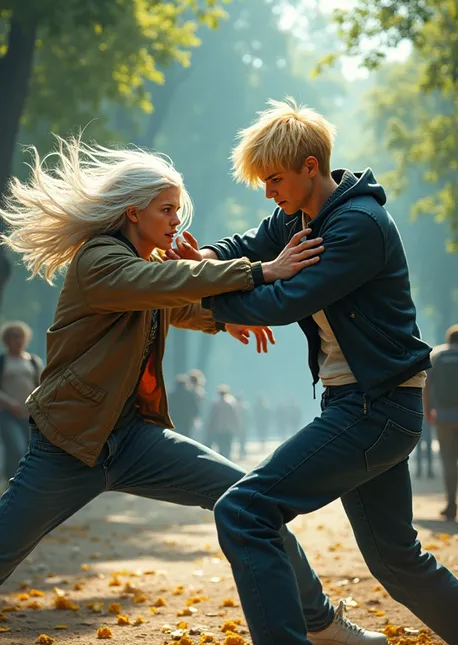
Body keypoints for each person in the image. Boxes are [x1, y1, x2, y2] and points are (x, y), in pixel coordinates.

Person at [0, 136, 382, 645]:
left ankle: (321, 622)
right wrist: (261, 270)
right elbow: (159, 284)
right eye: (166, 209)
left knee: (251, 500)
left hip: (133, 440)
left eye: (178, 209)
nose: (176, 220)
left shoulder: (138, 266)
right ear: (132, 211)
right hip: (68, 445)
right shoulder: (99, 260)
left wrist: (225, 320)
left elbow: (172, 300)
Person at [171, 99, 458, 645]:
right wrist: (203, 257)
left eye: (274, 178)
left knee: (245, 509)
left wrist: (200, 300)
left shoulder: (359, 225)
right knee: (398, 561)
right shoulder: (296, 217)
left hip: (376, 408)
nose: (267, 191)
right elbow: (246, 248)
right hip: (361, 405)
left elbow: (285, 299)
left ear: (310, 166)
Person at [0, 322, 43, 481]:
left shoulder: (33, 361)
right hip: (8, 414)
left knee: (29, 451)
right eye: (14, 337)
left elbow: (41, 386)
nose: (18, 341)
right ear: (7, 340)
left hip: (30, 415)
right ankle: (11, 482)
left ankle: (25, 483)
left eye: (21, 337)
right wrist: (10, 402)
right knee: (15, 449)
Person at [424, 324, 458, 521]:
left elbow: (426, 384)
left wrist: (428, 411)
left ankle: (451, 504)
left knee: (448, 461)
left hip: (444, 416)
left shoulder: (437, 355)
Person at [206, 384, 239, 459]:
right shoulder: (231, 402)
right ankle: (228, 458)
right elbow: (235, 415)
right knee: (228, 445)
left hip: (219, 428)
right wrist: (236, 425)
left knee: (220, 445)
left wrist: (211, 426)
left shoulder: (215, 403)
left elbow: (212, 417)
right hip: (229, 428)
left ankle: (222, 459)